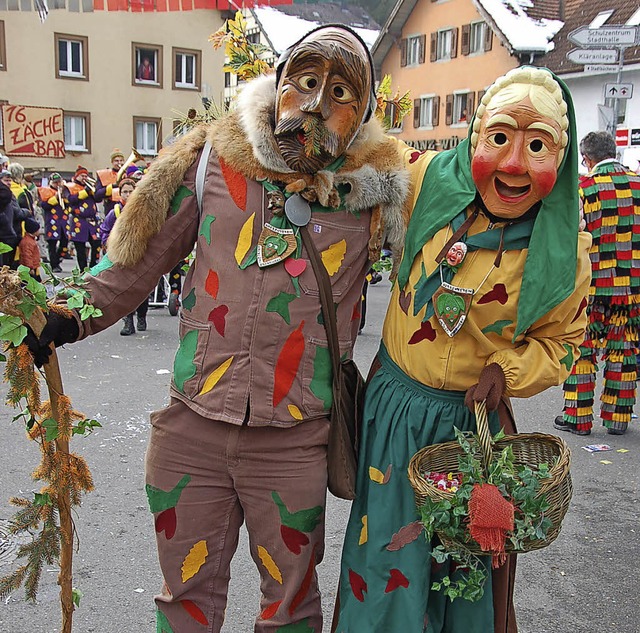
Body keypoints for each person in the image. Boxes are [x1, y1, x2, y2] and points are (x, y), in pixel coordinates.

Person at [25, 25, 410, 633]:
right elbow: (133, 263)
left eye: (340, 92)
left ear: (364, 112)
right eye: (306, 83)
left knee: (290, 612)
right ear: (281, 81)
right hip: (192, 431)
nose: (315, 105)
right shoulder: (211, 159)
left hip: (296, 439)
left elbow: (443, 266)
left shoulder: (376, 196)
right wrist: (62, 315)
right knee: (185, 603)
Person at [334, 66, 591, 633]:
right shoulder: (425, 183)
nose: (514, 164)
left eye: (538, 145)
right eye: (499, 138)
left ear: (561, 156)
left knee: (467, 573)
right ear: (476, 135)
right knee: (385, 566)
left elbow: (565, 343)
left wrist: (510, 367)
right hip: (397, 413)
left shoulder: (566, 250)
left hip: (473, 432)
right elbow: (348, 151)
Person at [555, 131, 640, 437]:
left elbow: (571, 238)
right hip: (631, 289)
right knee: (623, 349)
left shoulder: (584, 189)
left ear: (587, 159)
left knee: (583, 349)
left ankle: (578, 418)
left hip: (592, 286)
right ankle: (618, 419)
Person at [99, 178, 148, 335]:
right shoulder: (115, 212)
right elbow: (104, 230)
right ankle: (128, 322)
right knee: (125, 290)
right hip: (122, 255)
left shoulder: (143, 209)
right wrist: (108, 244)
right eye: (124, 192)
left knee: (142, 289)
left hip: (141, 253)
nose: (128, 194)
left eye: (130, 191)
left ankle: (142, 315)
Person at [64, 166, 102, 271]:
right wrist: (85, 192)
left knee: (97, 244)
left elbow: (98, 199)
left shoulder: (90, 187)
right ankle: (83, 270)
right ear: (77, 176)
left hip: (92, 222)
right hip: (78, 221)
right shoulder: (70, 187)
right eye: (82, 176)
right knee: (80, 247)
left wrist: (95, 190)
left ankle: (94, 266)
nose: (84, 178)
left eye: (86, 176)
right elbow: (70, 200)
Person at [39, 172, 69, 273]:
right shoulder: (46, 191)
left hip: (64, 222)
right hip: (52, 222)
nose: (57, 184)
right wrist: (56, 197)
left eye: (59, 182)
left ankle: (58, 258)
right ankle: (54, 265)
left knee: (65, 243)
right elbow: (44, 205)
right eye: (55, 182)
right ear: (51, 182)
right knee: (52, 244)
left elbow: (70, 202)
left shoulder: (65, 191)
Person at [0, 168, 28, 269]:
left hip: (11, 234)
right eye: (5, 180)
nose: (8, 183)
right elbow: (18, 213)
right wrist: (26, 212)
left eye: (9, 180)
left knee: (8, 265)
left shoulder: (10, 193)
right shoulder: (6, 194)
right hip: (5, 234)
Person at [95, 149, 125, 215]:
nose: (119, 163)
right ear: (112, 162)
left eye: (121, 160)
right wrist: (111, 187)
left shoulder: (127, 174)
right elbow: (97, 195)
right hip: (111, 206)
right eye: (116, 161)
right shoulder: (104, 174)